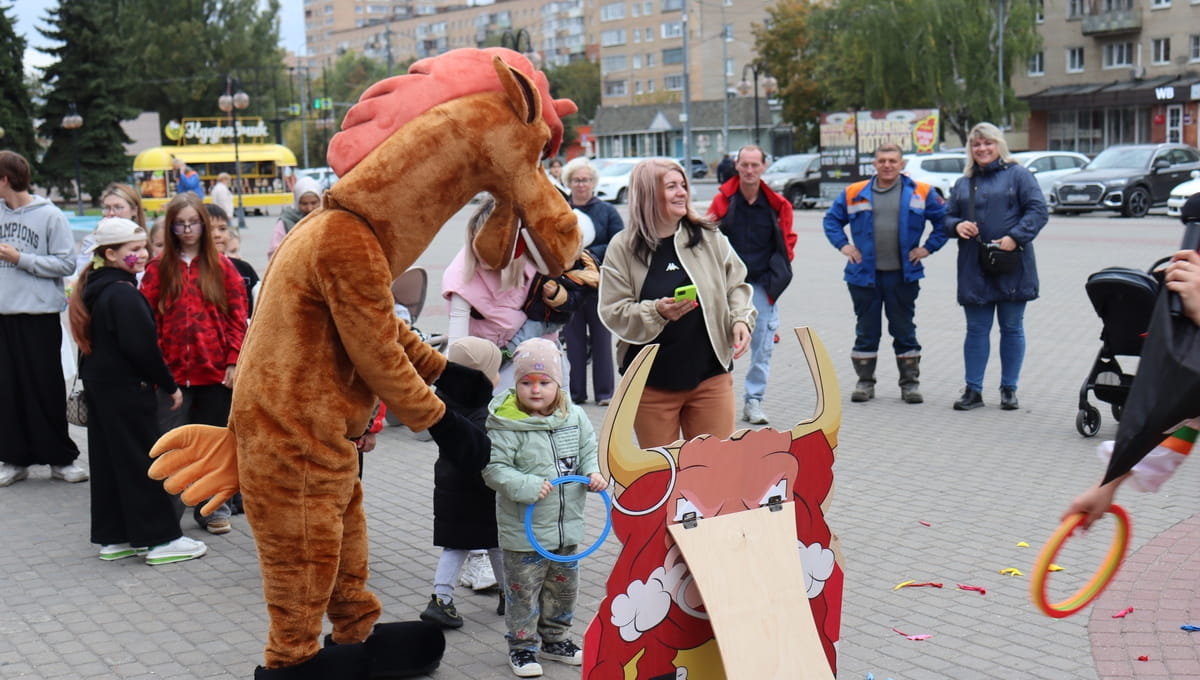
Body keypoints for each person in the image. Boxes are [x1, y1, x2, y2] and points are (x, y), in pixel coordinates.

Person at [66, 218, 208, 565]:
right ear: (110, 253)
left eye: (144, 247)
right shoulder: (123, 293)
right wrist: (168, 384)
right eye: (133, 250)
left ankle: (114, 537)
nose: (142, 254)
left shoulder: (96, 287)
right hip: (128, 389)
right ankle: (160, 539)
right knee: (145, 462)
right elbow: (143, 348)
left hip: (103, 387)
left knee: (110, 461)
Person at [598, 158, 755, 448]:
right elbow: (613, 312)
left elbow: (737, 284)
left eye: (683, 185)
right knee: (663, 480)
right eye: (671, 186)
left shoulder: (708, 236)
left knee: (715, 473)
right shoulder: (623, 247)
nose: (682, 192)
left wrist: (741, 319)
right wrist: (656, 311)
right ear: (648, 194)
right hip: (651, 385)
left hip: (710, 378)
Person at [481, 338, 606, 678]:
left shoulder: (575, 416)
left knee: (563, 589)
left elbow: (588, 449)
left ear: (558, 384)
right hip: (524, 533)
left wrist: (592, 472)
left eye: (544, 382)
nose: (535, 390)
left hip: (566, 527)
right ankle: (521, 648)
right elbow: (494, 469)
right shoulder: (504, 424)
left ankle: (557, 639)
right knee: (523, 593)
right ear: (516, 384)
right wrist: (529, 486)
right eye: (526, 382)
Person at [140, 192, 248, 532]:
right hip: (171, 376)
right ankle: (165, 518)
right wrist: (154, 367)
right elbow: (145, 320)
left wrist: (232, 361)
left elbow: (238, 317)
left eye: (193, 223)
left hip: (215, 372)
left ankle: (213, 510)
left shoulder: (222, 266)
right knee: (171, 444)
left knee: (213, 444)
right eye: (180, 224)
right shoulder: (158, 269)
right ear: (170, 228)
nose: (187, 230)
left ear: (203, 224)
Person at [822, 143, 948, 404]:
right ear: (874, 164)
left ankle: (910, 384)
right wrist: (844, 246)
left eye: (893, 160)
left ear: (902, 164)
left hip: (903, 276)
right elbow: (831, 220)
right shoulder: (854, 192)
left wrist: (927, 248)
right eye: (882, 160)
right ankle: (865, 383)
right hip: (863, 276)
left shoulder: (922, 192)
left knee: (904, 329)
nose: (887, 165)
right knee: (867, 330)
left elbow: (944, 222)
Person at [944, 122, 1048, 411]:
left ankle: (1009, 388)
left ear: (998, 145)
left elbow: (1038, 210)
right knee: (976, 329)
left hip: (1012, 262)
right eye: (976, 144)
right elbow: (947, 215)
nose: (982, 149)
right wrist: (957, 225)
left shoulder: (1019, 175)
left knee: (1012, 327)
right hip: (973, 265)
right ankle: (973, 390)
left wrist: (1016, 237)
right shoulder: (964, 182)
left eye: (987, 143)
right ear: (970, 149)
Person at [0, 150, 88, 487]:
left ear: (6, 179)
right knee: (7, 390)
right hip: (3, 315)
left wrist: (21, 257)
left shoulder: (50, 216)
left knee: (46, 388)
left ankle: (61, 458)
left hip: (39, 315)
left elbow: (67, 264)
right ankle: (13, 458)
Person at [420, 337, 505, 629]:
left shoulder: (445, 399)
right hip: (481, 490)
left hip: (450, 486)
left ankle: (441, 599)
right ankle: (510, 594)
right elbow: (485, 455)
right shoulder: (483, 414)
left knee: (455, 546)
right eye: (495, 372)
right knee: (497, 541)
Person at [708, 145, 796, 424]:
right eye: (744, 164)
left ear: (763, 167)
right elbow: (706, 235)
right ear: (737, 166)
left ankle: (754, 401)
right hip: (724, 284)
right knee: (717, 342)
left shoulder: (776, 204)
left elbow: (787, 239)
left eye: (754, 165)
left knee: (762, 345)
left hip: (761, 284)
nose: (749, 170)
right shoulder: (722, 200)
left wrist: (778, 272)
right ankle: (719, 401)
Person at [561, 157, 623, 406]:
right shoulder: (561, 209)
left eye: (585, 180)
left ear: (593, 183)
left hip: (600, 284)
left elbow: (619, 241)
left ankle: (605, 393)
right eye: (576, 180)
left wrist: (590, 254)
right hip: (569, 285)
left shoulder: (607, 211)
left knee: (601, 338)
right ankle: (575, 393)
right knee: (573, 340)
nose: (581, 184)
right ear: (569, 183)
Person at [76, 183, 147, 275]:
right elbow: (83, 273)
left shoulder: (146, 240)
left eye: (118, 207)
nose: (111, 213)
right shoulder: (92, 241)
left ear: (134, 210)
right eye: (107, 208)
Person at [206, 204, 259, 316]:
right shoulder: (193, 272)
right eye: (210, 229)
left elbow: (261, 305)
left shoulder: (244, 270)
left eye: (222, 229)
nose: (217, 235)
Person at [268, 176, 322, 258]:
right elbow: (274, 253)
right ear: (297, 203)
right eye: (304, 204)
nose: (309, 208)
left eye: (314, 203)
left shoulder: (327, 219)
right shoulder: (286, 222)